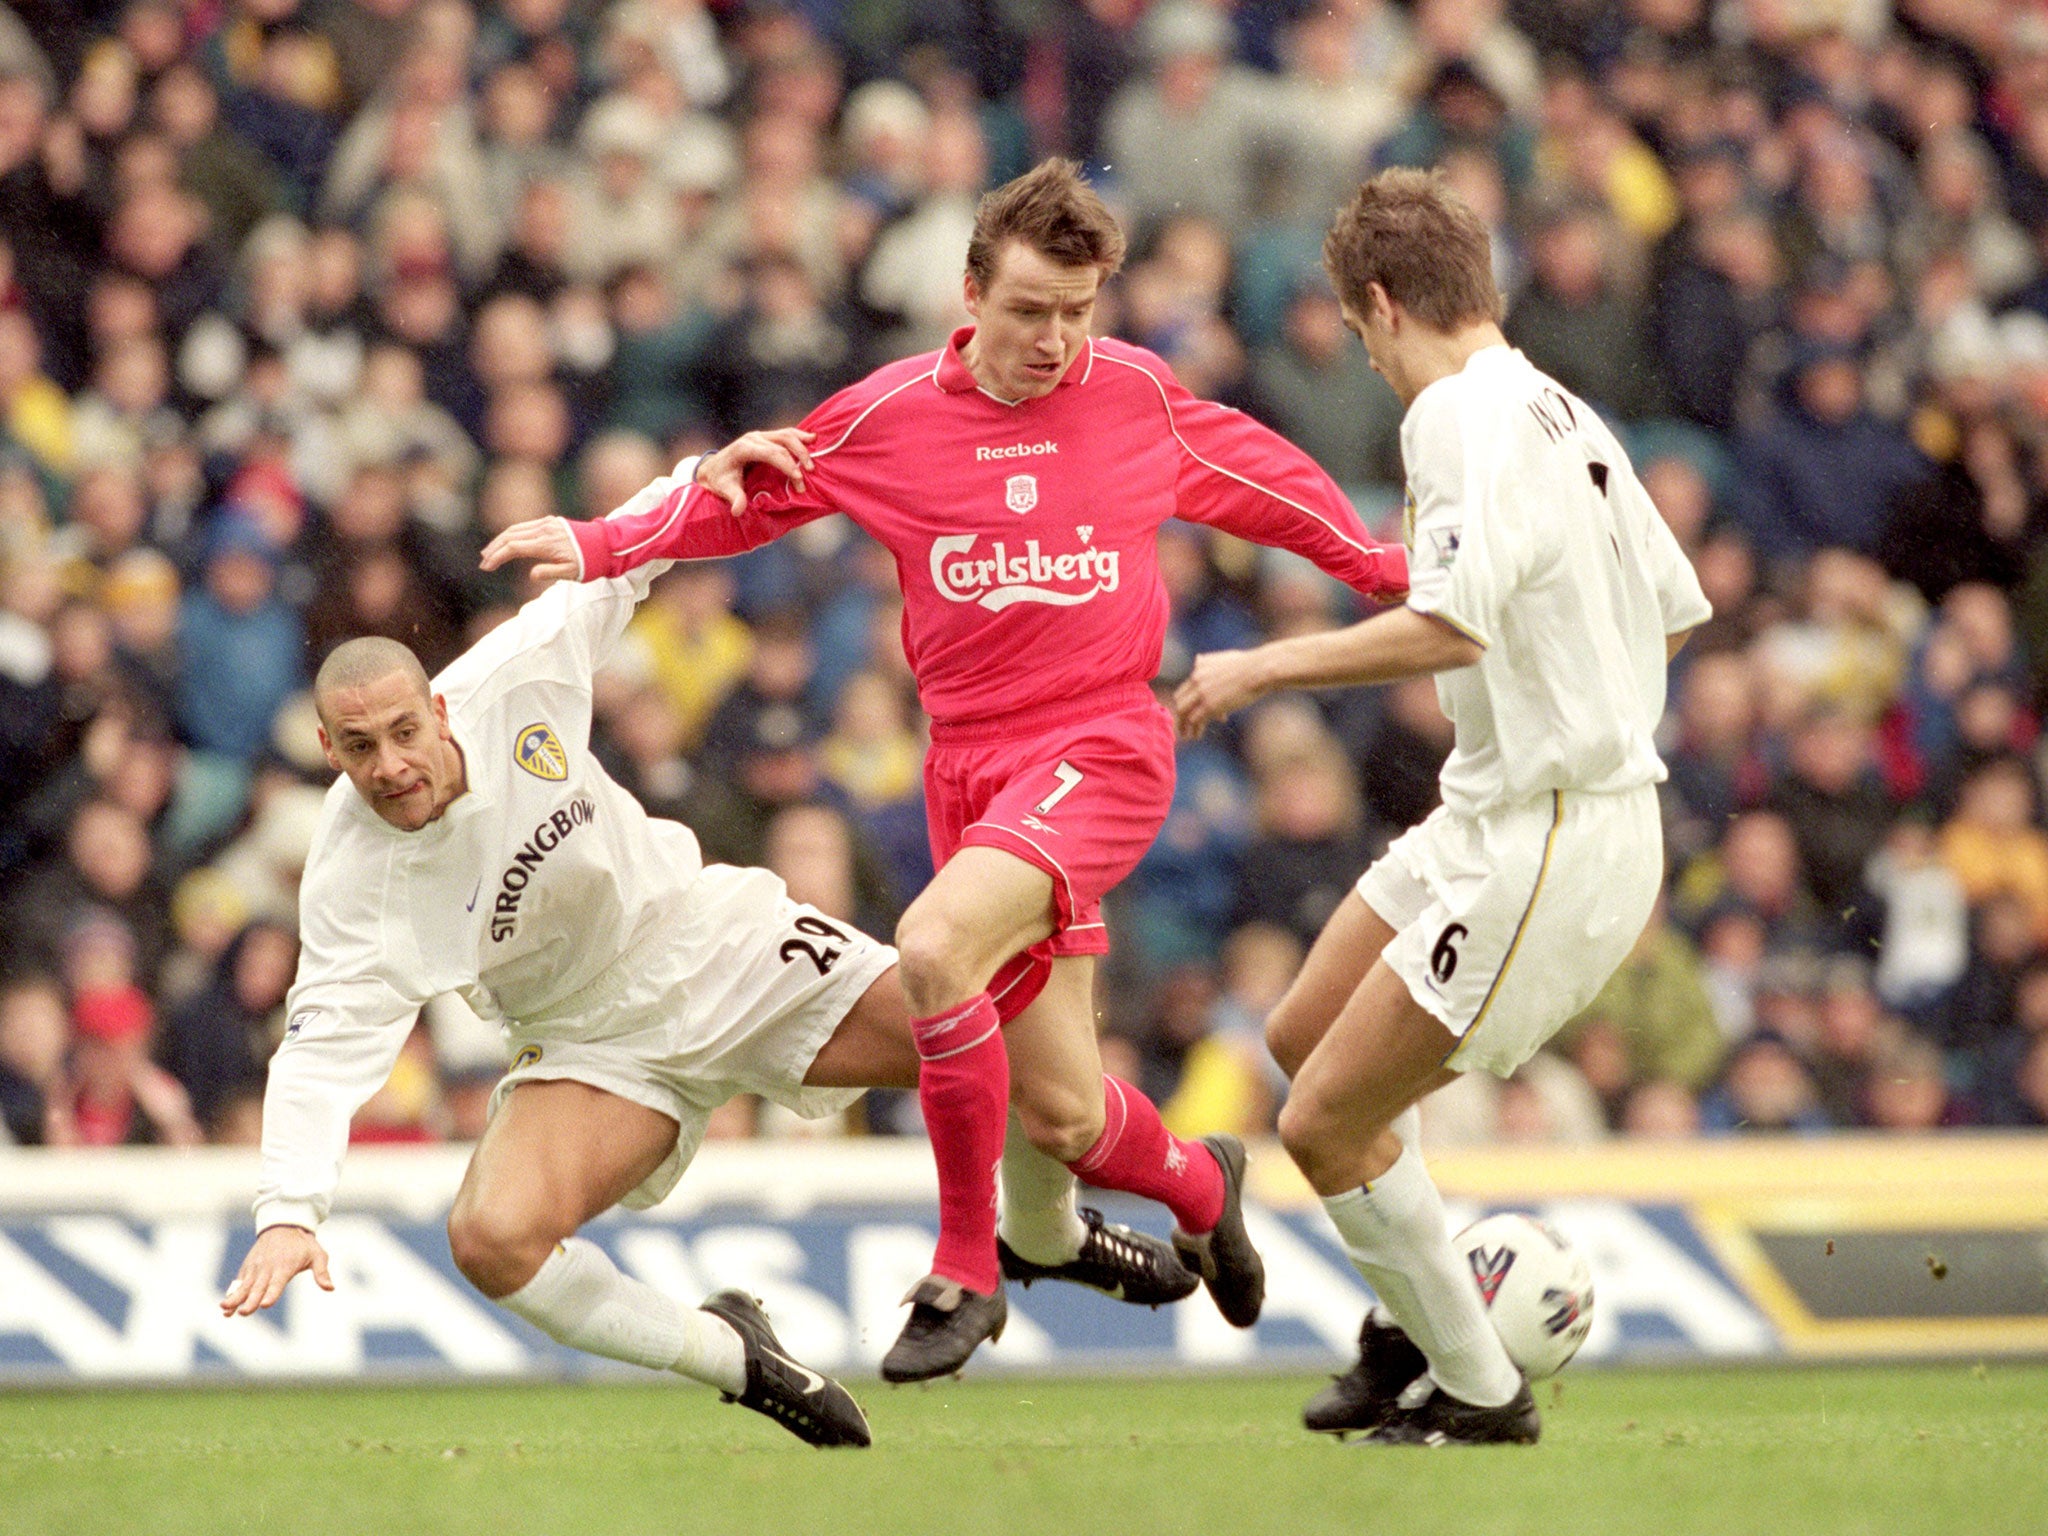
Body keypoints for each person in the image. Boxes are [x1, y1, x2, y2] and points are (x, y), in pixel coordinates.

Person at [481, 157, 1410, 1380]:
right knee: (1062, 1115)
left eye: (1079, 311)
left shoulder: (1133, 394)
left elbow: (1277, 491)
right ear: (968, 294)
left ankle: (965, 1273)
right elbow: (749, 499)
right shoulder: (891, 416)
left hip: (1102, 746)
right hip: (969, 768)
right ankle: (1199, 1177)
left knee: (929, 950)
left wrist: (1405, 580)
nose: (1056, 339)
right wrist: (602, 541)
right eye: (1029, 309)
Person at [1173, 168, 1710, 1446]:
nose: (1364, 357)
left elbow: (1447, 627)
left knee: (1319, 1121)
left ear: (1376, 303)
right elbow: (1677, 613)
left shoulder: (1455, 419)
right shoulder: (1568, 412)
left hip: (1554, 829)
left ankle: (1477, 1390)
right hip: (1494, 809)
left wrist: (1260, 665)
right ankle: (1416, 1320)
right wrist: (1576, 694)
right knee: (1301, 1039)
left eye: (1357, 334)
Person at [219, 539, 914, 1448]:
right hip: (586, 1040)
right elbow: (317, 1054)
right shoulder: (354, 886)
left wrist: (707, 476)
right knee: (492, 1241)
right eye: (358, 748)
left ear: (438, 710)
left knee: (963, 1032)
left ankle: (1067, 1219)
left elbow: (629, 560)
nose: (389, 765)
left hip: (703, 939)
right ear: (326, 749)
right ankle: (736, 1358)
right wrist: (288, 1213)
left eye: (402, 733)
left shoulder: (516, 674)